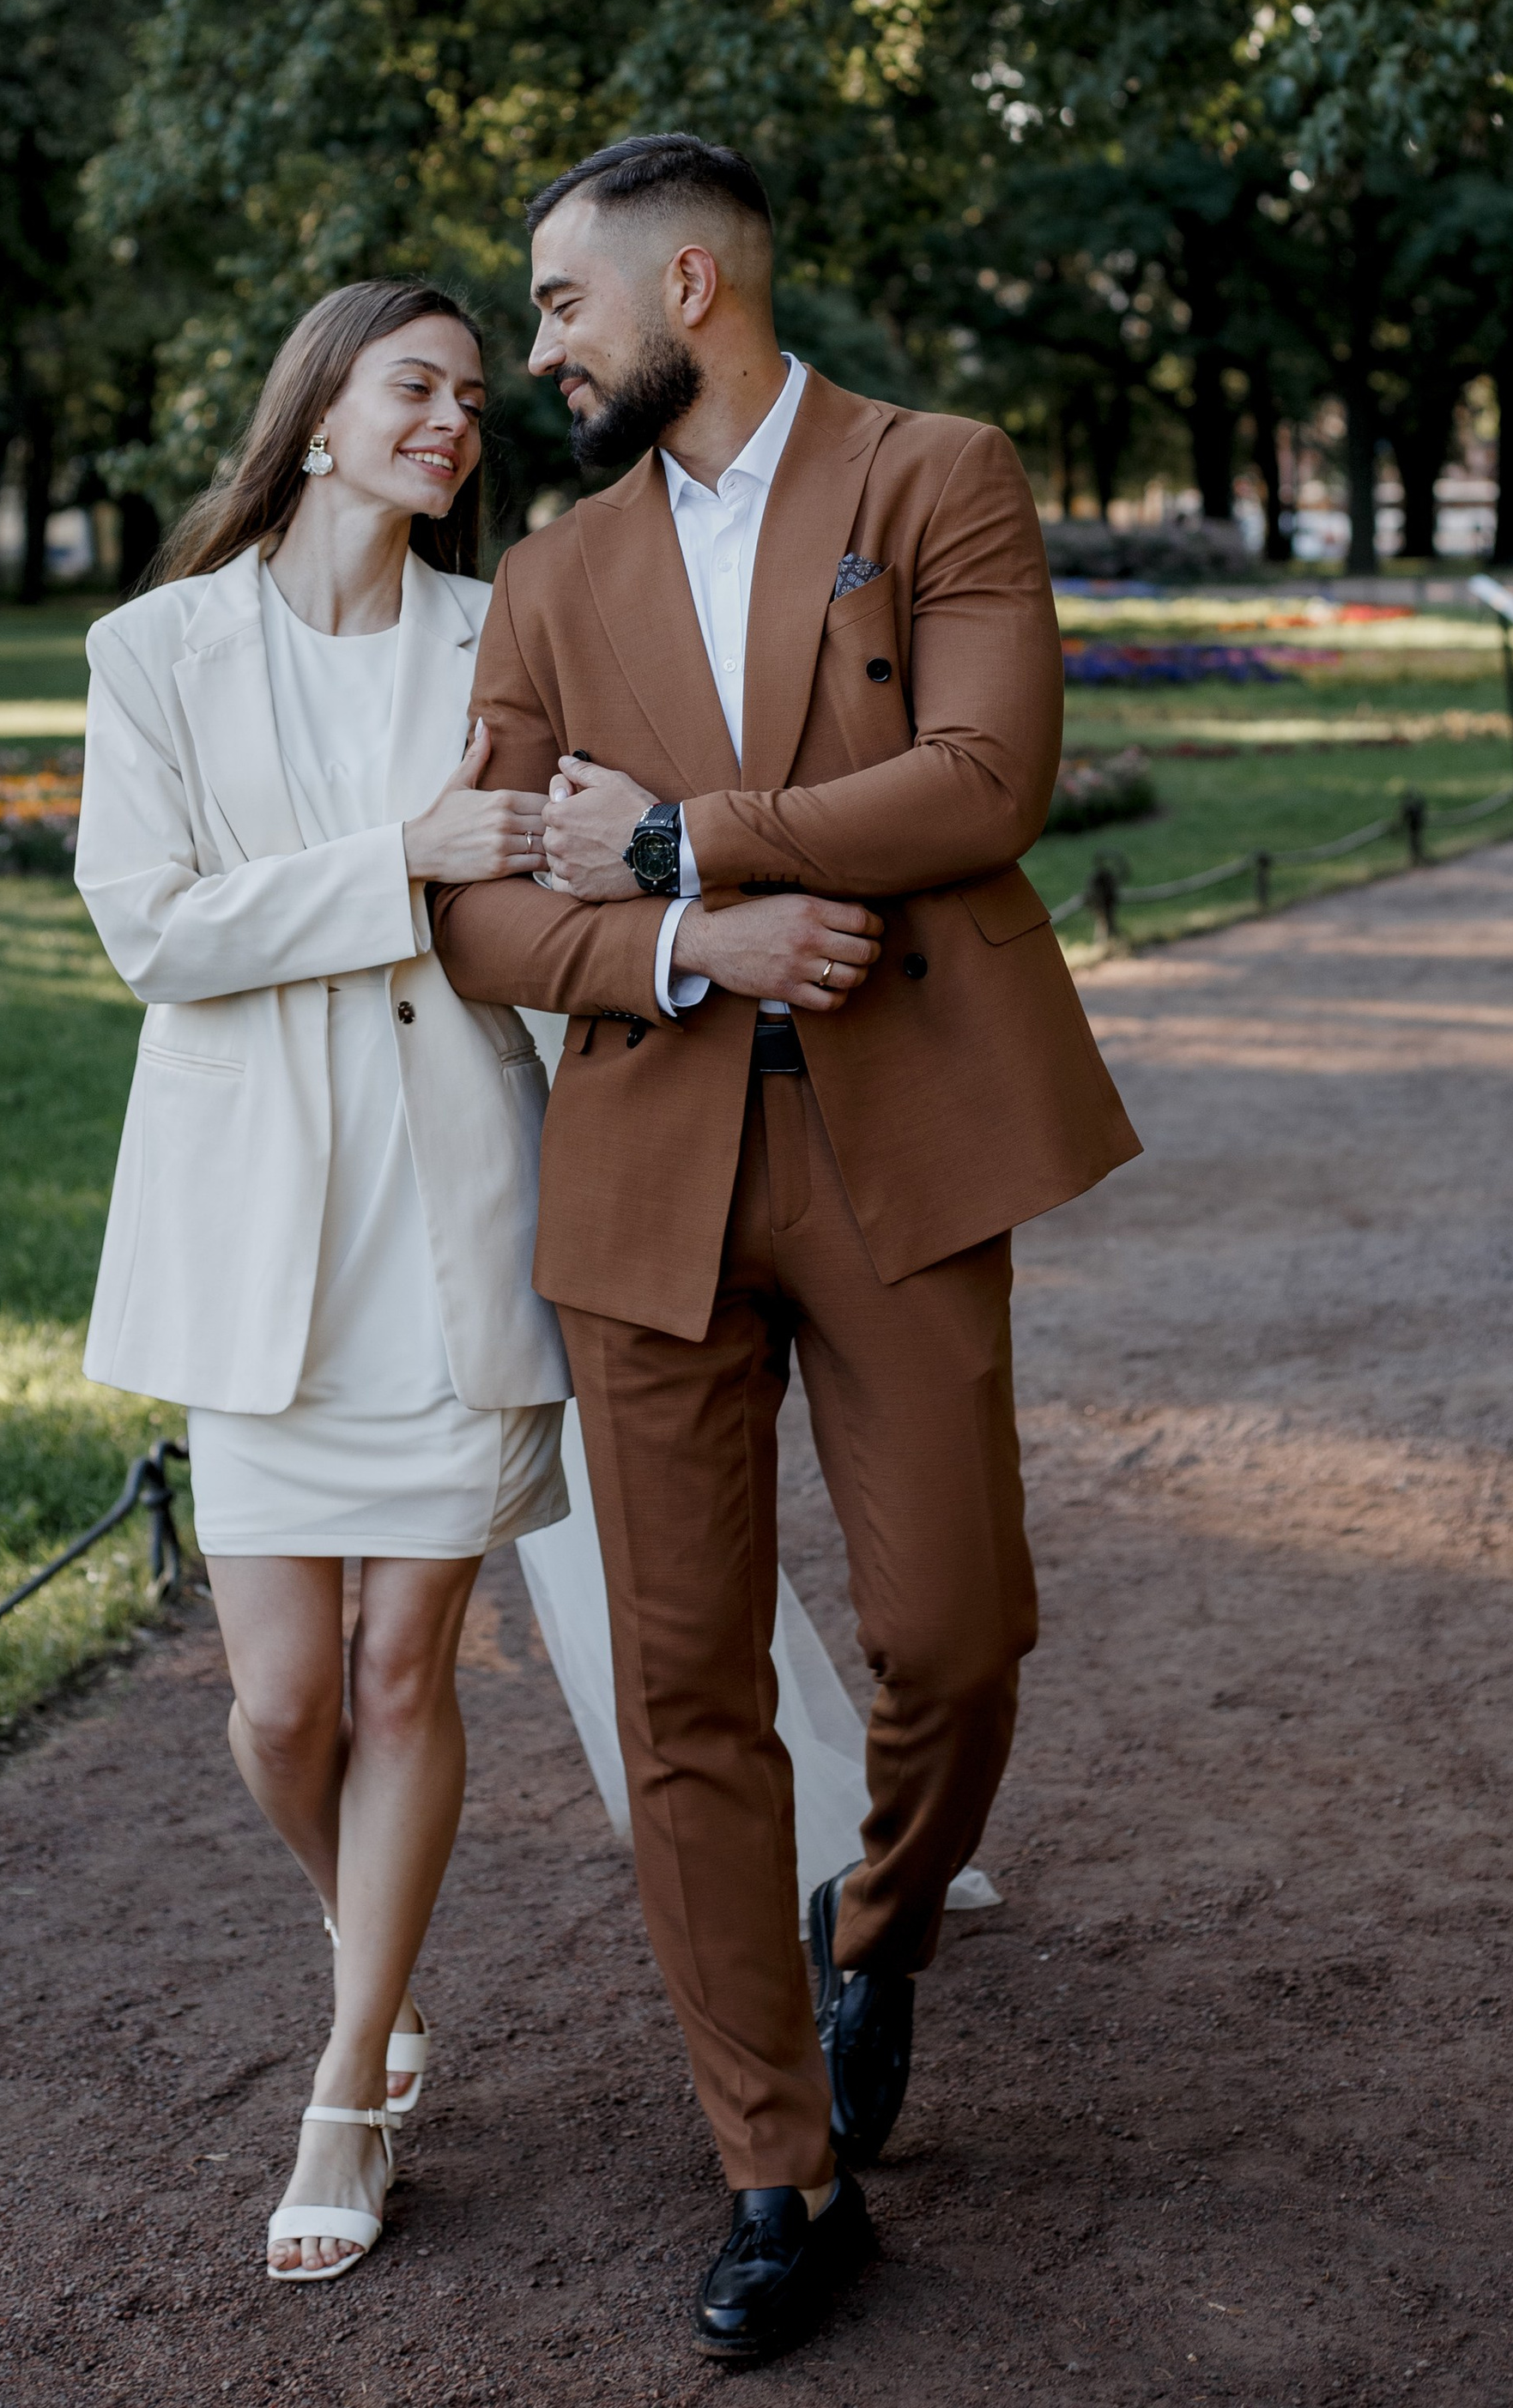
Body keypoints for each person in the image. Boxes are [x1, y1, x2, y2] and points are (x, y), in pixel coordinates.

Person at [431, 133, 1142, 2363]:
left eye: (560, 305)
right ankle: (775, 2163)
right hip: (641, 1167)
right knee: (681, 1688)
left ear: (696, 286)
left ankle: (883, 1921)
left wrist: (671, 825)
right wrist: (679, 932)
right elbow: (476, 903)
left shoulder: (935, 477)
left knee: (960, 1632)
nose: (535, 349)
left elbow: (984, 777)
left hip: (901, 1138)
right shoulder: (549, 582)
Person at [73, 282, 570, 2286]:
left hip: (456, 1216)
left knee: (397, 1676)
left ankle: (349, 2076)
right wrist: (399, 855)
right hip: (257, 1232)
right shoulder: (157, 648)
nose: (453, 418)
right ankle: (367, 1946)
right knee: (279, 1703)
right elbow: (154, 931)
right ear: (318, 414)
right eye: (415, 386)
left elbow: (536, 880)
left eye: (469, 395)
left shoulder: (499, 633)